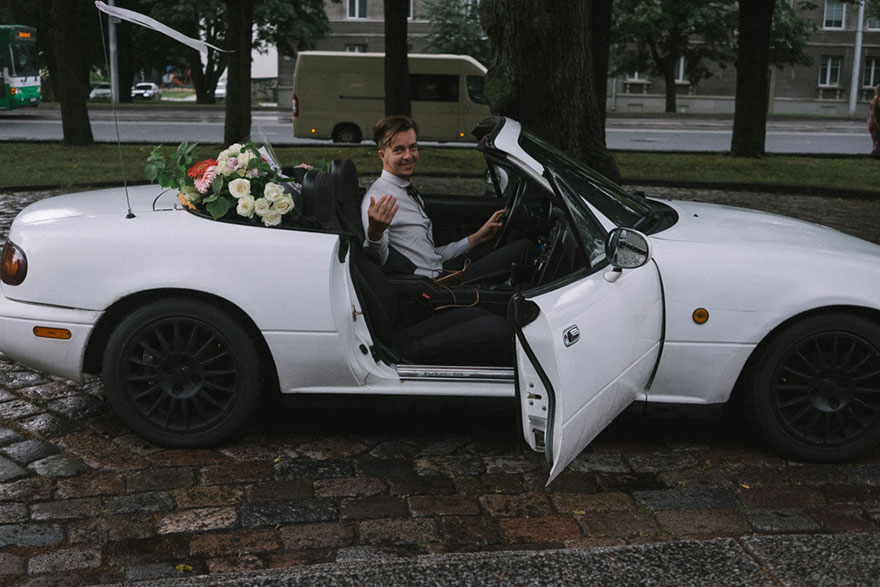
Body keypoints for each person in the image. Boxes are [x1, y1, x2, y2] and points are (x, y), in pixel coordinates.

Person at [361, 115, 534, 283]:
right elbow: (379, 260)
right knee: (524, 249)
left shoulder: (406, 191)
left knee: (510, 239)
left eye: (412, 147)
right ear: (382, 155)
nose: (409, 156)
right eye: (398, 150)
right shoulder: (377, 200)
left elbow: (432, 257)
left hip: (443, 271)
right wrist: (375, 234)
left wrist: (477, 237)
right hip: (435, 287)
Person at [869, 84, 880, 157]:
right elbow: (874, 115)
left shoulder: (875, 99)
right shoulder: (877, 100)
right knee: (877, 142)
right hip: (876, 125)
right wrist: (878, 127)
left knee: (876, 141)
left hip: (872, 125)